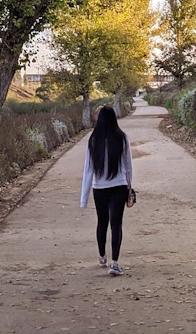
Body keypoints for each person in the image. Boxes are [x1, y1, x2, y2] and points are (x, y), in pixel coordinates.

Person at [79, 106, 133, 276]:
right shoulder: (122, 138)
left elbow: (88, 170)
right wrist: (129, 186)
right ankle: (115, 263)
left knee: (102, 222)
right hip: (119, 186)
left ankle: (102, 256)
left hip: (99, 187)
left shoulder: (93, 139)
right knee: (116, 224)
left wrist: (84, 198)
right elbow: (128, 165)